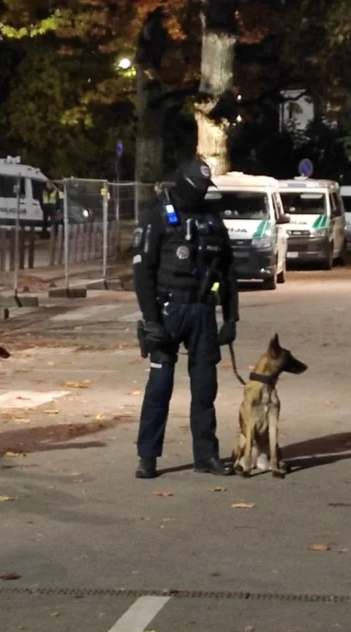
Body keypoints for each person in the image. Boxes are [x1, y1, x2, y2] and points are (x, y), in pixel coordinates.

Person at [132, 156, 239, 479]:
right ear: (184, 184)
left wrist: (231, 317)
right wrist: (150, 320)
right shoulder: (158, 216)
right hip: (168, 310)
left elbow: (228, 270)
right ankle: (148, 457)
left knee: (205, 388)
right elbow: (142, 271)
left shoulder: (211, 218)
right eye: (199, 187)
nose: (203, 193)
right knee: (160, 386)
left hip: (202, 311)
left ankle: (206, 455)